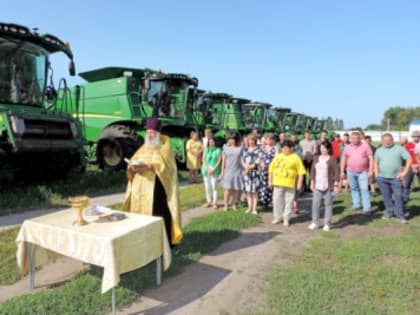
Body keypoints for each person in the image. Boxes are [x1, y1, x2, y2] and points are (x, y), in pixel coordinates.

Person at [123, 118, 182, 245]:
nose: (150, 135)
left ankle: (164, 243)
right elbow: (133, 162)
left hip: (158, 190)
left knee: (159, 215)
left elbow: (165, 167)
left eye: (152, 132)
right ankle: (144, 242)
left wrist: (149, 167)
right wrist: (132, 168)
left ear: (158, 133)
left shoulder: (165, 147)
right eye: (148, 132)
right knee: (142, 216)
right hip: (141, 191)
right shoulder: (143, 148)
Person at [374, 133, 411, 223]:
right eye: (385, 141)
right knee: (386, 196)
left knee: (398, 196)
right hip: (382, 178)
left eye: (389, 140)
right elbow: (376, 162)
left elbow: (409, 159)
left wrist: (404, 172)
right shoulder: (379, 150)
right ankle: (390, 213)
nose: (387, 142)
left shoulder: (399, 149)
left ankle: (400, 216)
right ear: (382, 141)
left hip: (396, 178)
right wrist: (376, 174)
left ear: (392, 140)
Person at [268, 140, 306, 227]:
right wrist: (270, 180)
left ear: (291, 148)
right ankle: (278, 217)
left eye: (286, 148)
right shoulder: (278, 156)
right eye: (283, 147)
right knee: (277, 200)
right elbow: (271, 169)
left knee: (289, 201)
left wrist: (299, 183)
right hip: (277, 182)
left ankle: (286, 218)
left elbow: (301, 172)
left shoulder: (296, 157)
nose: (284, 149)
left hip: (290, 183)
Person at [308, 141, 340, 231]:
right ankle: (315, 222)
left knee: (328, 205)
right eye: (321, 148)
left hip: (328, 185)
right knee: (315, 204)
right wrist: (312, 182)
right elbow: (312, 171)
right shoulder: (316, 158)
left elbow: (336, 171)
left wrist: (336, 183)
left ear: (329, 149)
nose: (323, 149)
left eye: (325, 148)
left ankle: (327, 223)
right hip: (318, 184)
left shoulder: (332, 159)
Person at [340, 131, 373, 215]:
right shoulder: (347, 147)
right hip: (350, 171)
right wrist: (342, 171)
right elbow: (344, 159)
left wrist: (371, 170)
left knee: (364, 189)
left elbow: (371, 158)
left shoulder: (365, 146)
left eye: (357, 138)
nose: (355, 140)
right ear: (351, 139)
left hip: (363, 172)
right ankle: (356, 204)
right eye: (353, 138)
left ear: (360, 138)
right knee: (354, 188)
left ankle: (367, 209)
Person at [219, 132, 245, 211]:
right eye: (230, 139)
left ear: (236, 139)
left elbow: (242, 160)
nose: (231, 140)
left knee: (236, 189)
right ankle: (226, 205)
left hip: (238, 171)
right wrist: (222, 172)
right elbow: (223, 161)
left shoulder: (241, 148)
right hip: (228, 171)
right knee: (227, 189)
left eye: (233, 139)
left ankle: (234, 204)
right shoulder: (225, 147)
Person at [241, 134, 262, 214]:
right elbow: (242, 160)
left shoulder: (258, 149)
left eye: (252, 140)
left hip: (254, 173)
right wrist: (245, 167)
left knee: (254, 192)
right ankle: (249, 207)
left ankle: (254, 209)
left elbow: (257, 161)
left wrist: (249, 167)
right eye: (249, 140)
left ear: (255, 141)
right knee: (248, 191)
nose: (251, 142)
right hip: (246, 173)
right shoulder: (245, 149)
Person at [201, 136, 222, 209]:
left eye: (212, 142)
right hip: (206, 170)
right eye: (209, 142)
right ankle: (209, 201)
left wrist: (213, 169)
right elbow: (203, 159)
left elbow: (219, 161)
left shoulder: (218, 150)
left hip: (214, 170)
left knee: (214, 187)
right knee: (207, 187)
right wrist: (207, 168)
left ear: (215, 142)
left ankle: (215, 202)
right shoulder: (206, 149)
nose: (211, 143)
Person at [259, 133, 277, 208]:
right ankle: (263, 200)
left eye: (271, 139)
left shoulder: (275, 148)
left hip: (272, 169)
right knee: (263, 185)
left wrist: (270, 166)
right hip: (263, 169)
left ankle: (271, 201)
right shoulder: (262, 148)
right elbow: (259, 158)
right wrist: (262, 164)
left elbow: (276, 159)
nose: (269, 141)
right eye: (268, 139)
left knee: (271, 185)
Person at [401, 131, 420, 203]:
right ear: (412, 137)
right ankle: (405, 198)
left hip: (419, 165)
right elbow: (405, 157)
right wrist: (411, 165)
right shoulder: (408, 145)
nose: (416, 138)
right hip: (410, 166)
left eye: (418, 136)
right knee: (407, 183)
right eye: (414, 136)